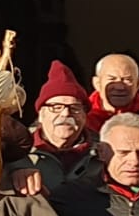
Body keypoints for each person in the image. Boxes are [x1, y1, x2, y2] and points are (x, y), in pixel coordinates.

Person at [20, 59, 96, 190]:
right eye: (56, 107)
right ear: (41, 115)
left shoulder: (103, 153)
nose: (66, 113)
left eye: (75, 107)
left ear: (84, 115)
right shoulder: (19, 154)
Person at [86, 53, 139, 135]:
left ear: (138, 84)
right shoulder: (82, 119)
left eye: (127, 79)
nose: (120, 87)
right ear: (97, 83)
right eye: (112, 79)